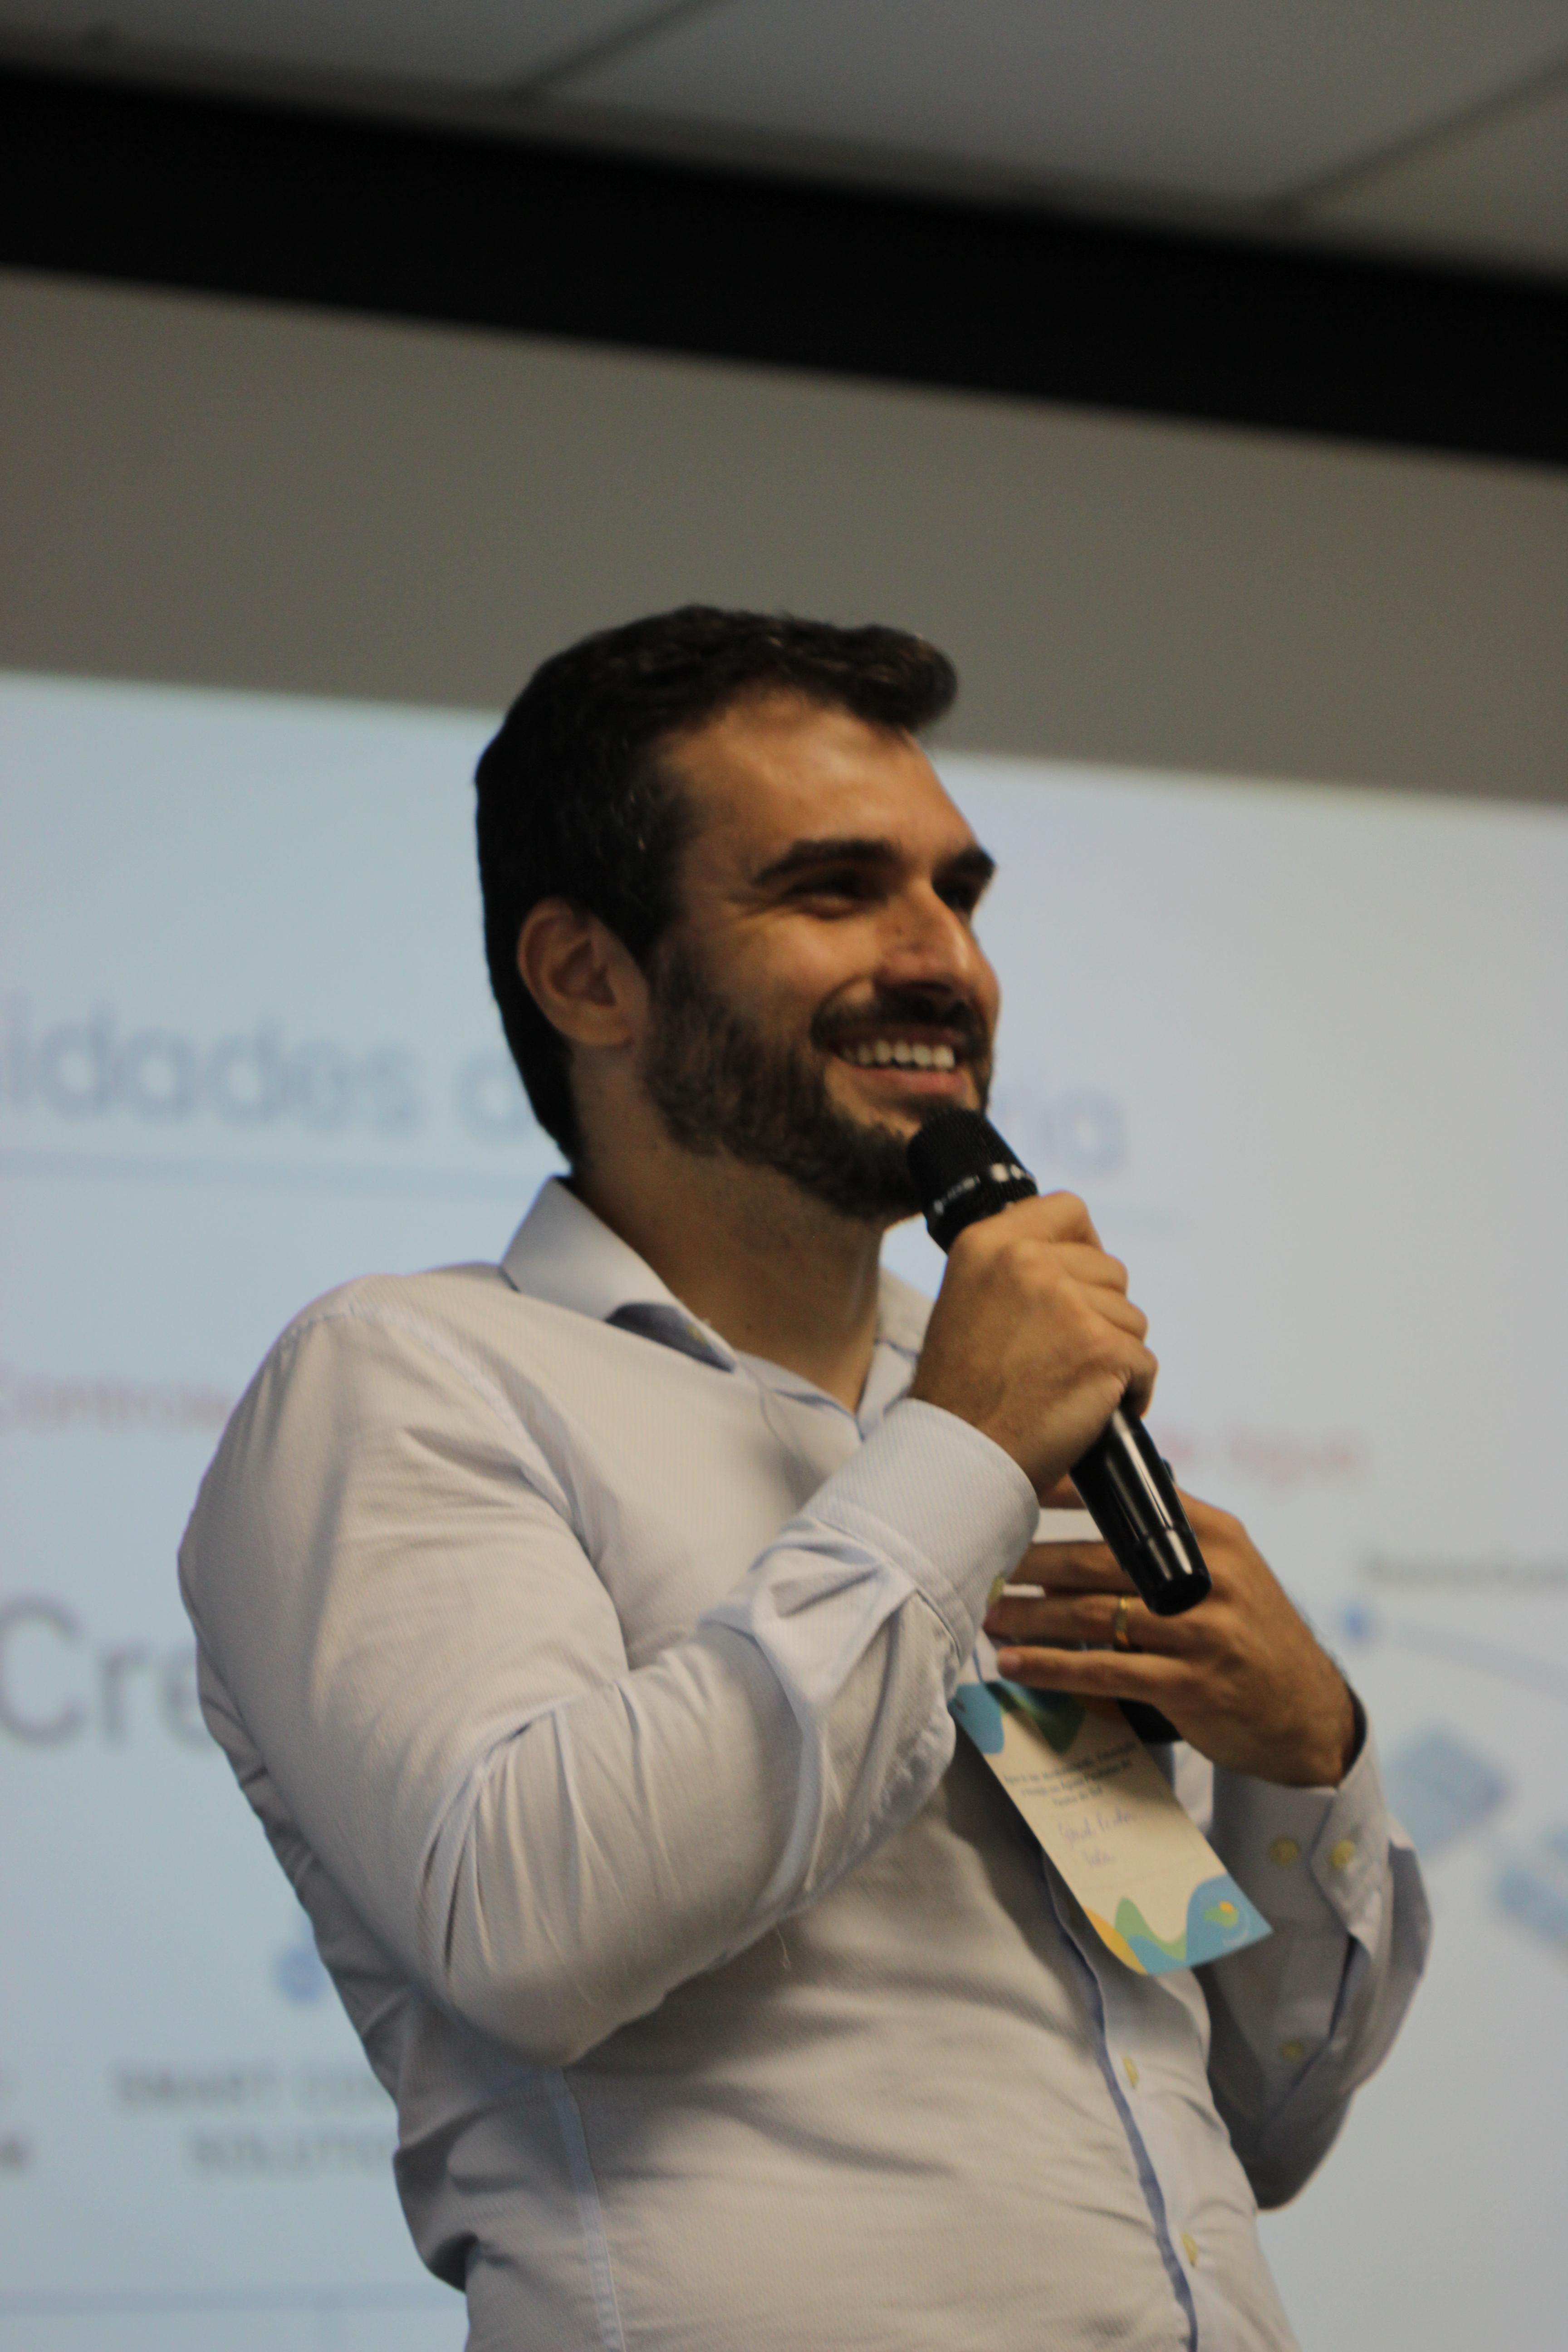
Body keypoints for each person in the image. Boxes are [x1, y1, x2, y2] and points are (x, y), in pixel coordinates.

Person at [180, 607, 1429, 2352]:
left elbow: (1256, 2124)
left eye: (959, 895)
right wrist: (958, 1462)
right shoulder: (407, 1376)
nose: (944, 961)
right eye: (835, 890)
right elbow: (530, 1930)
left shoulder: (1009, 1417)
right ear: (587, 975)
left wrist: (1309, 1760)